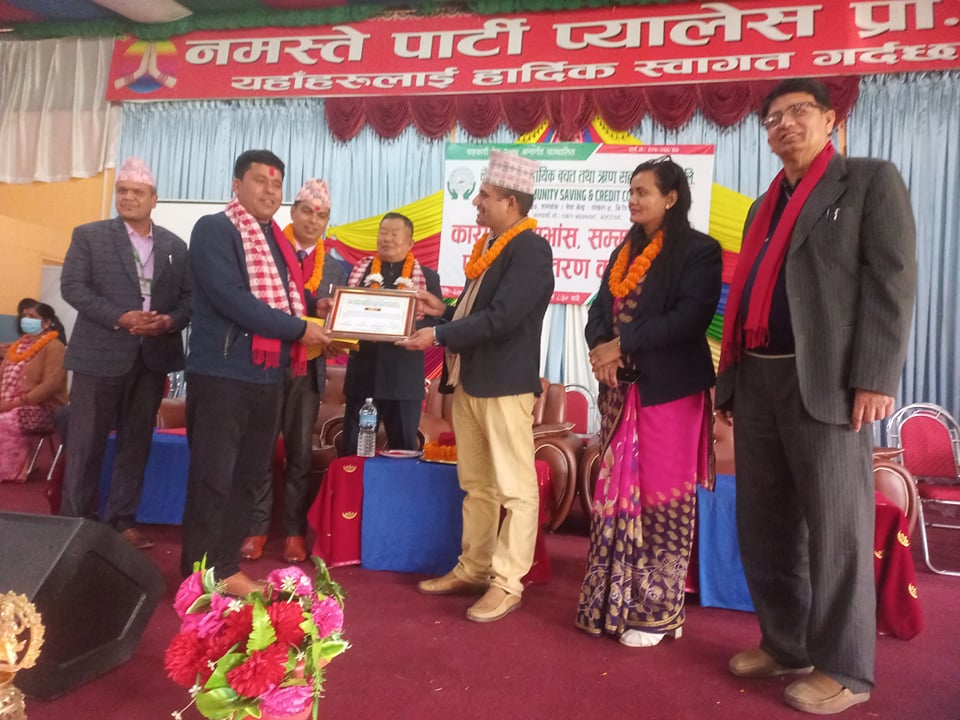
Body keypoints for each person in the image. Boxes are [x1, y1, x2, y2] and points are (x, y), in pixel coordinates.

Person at [716, 78, 917, 716]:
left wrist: (876, 376)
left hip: (827, 383)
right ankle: (787, 644)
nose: (785, 124)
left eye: (799, 111)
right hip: (758, 379)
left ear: (830, 120)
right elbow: (746, 295)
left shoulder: (868, 182)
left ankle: (846, 669)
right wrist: (730, 381)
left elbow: (891, 282)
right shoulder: (762, 204)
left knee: (837, 530)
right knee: (765, 524)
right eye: (773, 118)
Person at [398, 150, 554, 623]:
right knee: (477, 485)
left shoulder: (530, 249)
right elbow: (477, 314)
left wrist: (438, 335)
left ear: (511, 202)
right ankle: (474, 567)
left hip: (504, 385)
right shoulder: (493, 246)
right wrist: (440, 310)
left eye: (484, 195)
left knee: (516, 489)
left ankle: (507, 583)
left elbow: (502, 319)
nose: (476, 202)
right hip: (469, 382)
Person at [575, 157, 722, 647]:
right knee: (615, 499)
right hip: (619, 391)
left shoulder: (699, 251)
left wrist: (624, 345)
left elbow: (690, 318)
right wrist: (603, 349)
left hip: (669, 393)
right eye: (631, 191)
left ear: (671, 198)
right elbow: (599, 308)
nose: (633, 199)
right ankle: (613, 602)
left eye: (643, 191)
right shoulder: (625, 250)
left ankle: (659, 612)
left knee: (662, 500)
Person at [180, 150, 332, 596]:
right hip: (223, 373)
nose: (270, 191)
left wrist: (315, 312)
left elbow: (284, 300)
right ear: (236, 185)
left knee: (248, 477)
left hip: (268, 376)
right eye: (260, 181)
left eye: (276, 184)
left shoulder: (275, 241)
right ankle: (199, 574)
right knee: (214, 477)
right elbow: (232, 298)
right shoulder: (215, 229)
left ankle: (224, 568)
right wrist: (300, 328)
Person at [59, 157, 191, 550]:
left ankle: (120, 521)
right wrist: (120, 317)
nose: (128, 197)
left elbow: (189, 300)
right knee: (85, 443)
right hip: (98, 356)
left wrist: (168, 322)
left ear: (154, 199)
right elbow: (73, 287)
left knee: (136, 443)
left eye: (137, 192)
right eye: (122, 191)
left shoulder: (175, 245)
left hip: (151, 358)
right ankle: (75, 524)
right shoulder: (89, 236)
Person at [240, 178, 348, 564]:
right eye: (307, 211)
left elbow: (340, 323)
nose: (313, 221)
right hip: (265, 364)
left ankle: (293, 532)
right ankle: (256, 528)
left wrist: (337, 337)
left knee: (301, 454)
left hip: (309, 368)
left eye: (322, 215)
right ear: (292, 212)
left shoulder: (337, 269)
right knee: (261, 449)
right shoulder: (267, 252)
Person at [340, 212, 443, 455]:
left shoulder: (427, 277)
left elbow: (435, 319)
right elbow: (345, 311)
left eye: (394, 234)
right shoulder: (360, 273)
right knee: (354, 451)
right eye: (383, 232)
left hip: (403, 380)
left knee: (403, 451)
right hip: (363, 376)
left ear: (410, 243)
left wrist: (411, 327)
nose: (386, 238)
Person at [0, 301, 68, 482]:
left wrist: (16, 403)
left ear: (46, 323)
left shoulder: (55, 347)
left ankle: (10, 470)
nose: (26, 320)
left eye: (32, 317)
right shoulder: (17, 346)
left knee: (4, 422)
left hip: (42, 408)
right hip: (8, 403)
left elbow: (51, 385)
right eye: (24, 316)